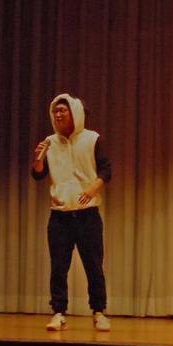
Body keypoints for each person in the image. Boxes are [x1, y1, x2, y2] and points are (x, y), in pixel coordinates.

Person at [31, 94, 112, 332]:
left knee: (94, 266)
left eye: (62, 111)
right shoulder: (49, 142)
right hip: (60, 215)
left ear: (74, 113)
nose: (58, 115)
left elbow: (107, 170)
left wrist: (92, 188)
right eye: (55, 111)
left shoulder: (92, 139)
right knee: (58, 267)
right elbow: (38, 174)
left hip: (88, 215)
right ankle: (58, 313)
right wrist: (38, 160)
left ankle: (99, 312)